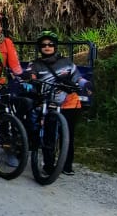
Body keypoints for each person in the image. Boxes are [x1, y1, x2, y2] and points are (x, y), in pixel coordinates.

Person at [29, 31, 90, 176]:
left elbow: (78, 78)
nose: (47, 47)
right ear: (40, 48)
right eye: (43, 45)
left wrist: (86, 84)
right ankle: (48, 165)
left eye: (50, 44)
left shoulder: (67, 62)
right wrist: (29, 81)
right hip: (48, 103)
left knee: (67, 135)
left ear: (55, 46)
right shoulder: (35, 64)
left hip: (69, 103)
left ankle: (66, 165)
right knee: (49, 134)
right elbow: (30, 76)